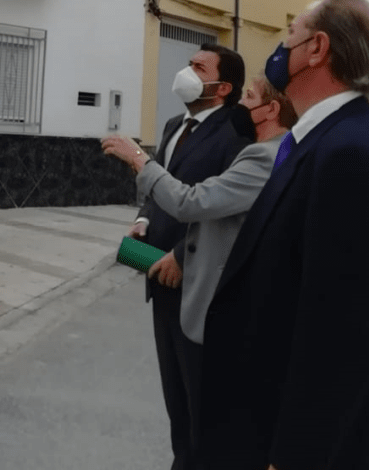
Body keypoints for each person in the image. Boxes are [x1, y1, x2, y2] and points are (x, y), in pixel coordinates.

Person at [199, 0, 369, 470]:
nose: (280, 49)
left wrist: (294, 455)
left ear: (317, 48)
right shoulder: (327, 140)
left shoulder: (350, 153)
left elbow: (343, 329)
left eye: (289, 35)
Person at [103, 75, 296, 464]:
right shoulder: (182, 127)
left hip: (209, 301)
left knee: (205, 425)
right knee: (186, 416)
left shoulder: (263, 155)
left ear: (271, 109)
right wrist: (145, 223)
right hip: (181, 282)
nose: (242, 104)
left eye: (250, 98)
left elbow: (196, 202)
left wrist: (140, 160)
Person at [126, 44, 251, 470]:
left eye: (199, 67)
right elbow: (158, 183)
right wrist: (143, 223)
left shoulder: (235, 137)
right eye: (190, 64)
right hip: (155, 273)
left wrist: (181, 254)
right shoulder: (174, 125)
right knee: (175, 398)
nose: (187, 72)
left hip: (194, 279)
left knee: (201, 398)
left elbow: (219, 207)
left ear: (222, 87)